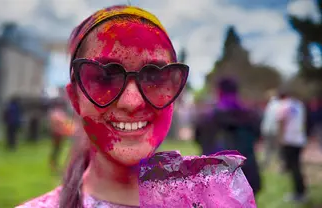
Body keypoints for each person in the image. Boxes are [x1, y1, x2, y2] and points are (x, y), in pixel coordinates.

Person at [16, 5, 256, 208]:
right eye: (104, 77)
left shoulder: (219, 199)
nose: (132, 102)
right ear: (75, 98)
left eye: (154, 76)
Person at [194, 78, 262, 196]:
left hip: (215, 175)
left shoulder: (206, 118)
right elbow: (258, 137)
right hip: (245, 174)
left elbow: (198, 140)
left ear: (218, 92)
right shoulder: (250, 116)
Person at [276, 89, 308, 203]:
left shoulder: (283, 105)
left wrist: (280, 138)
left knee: (293, 168)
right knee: (297, 167)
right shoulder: (299, 104)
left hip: (289, 140)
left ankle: (299, 193)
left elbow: (281, 122)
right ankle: (301, 191)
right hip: (299, 139)